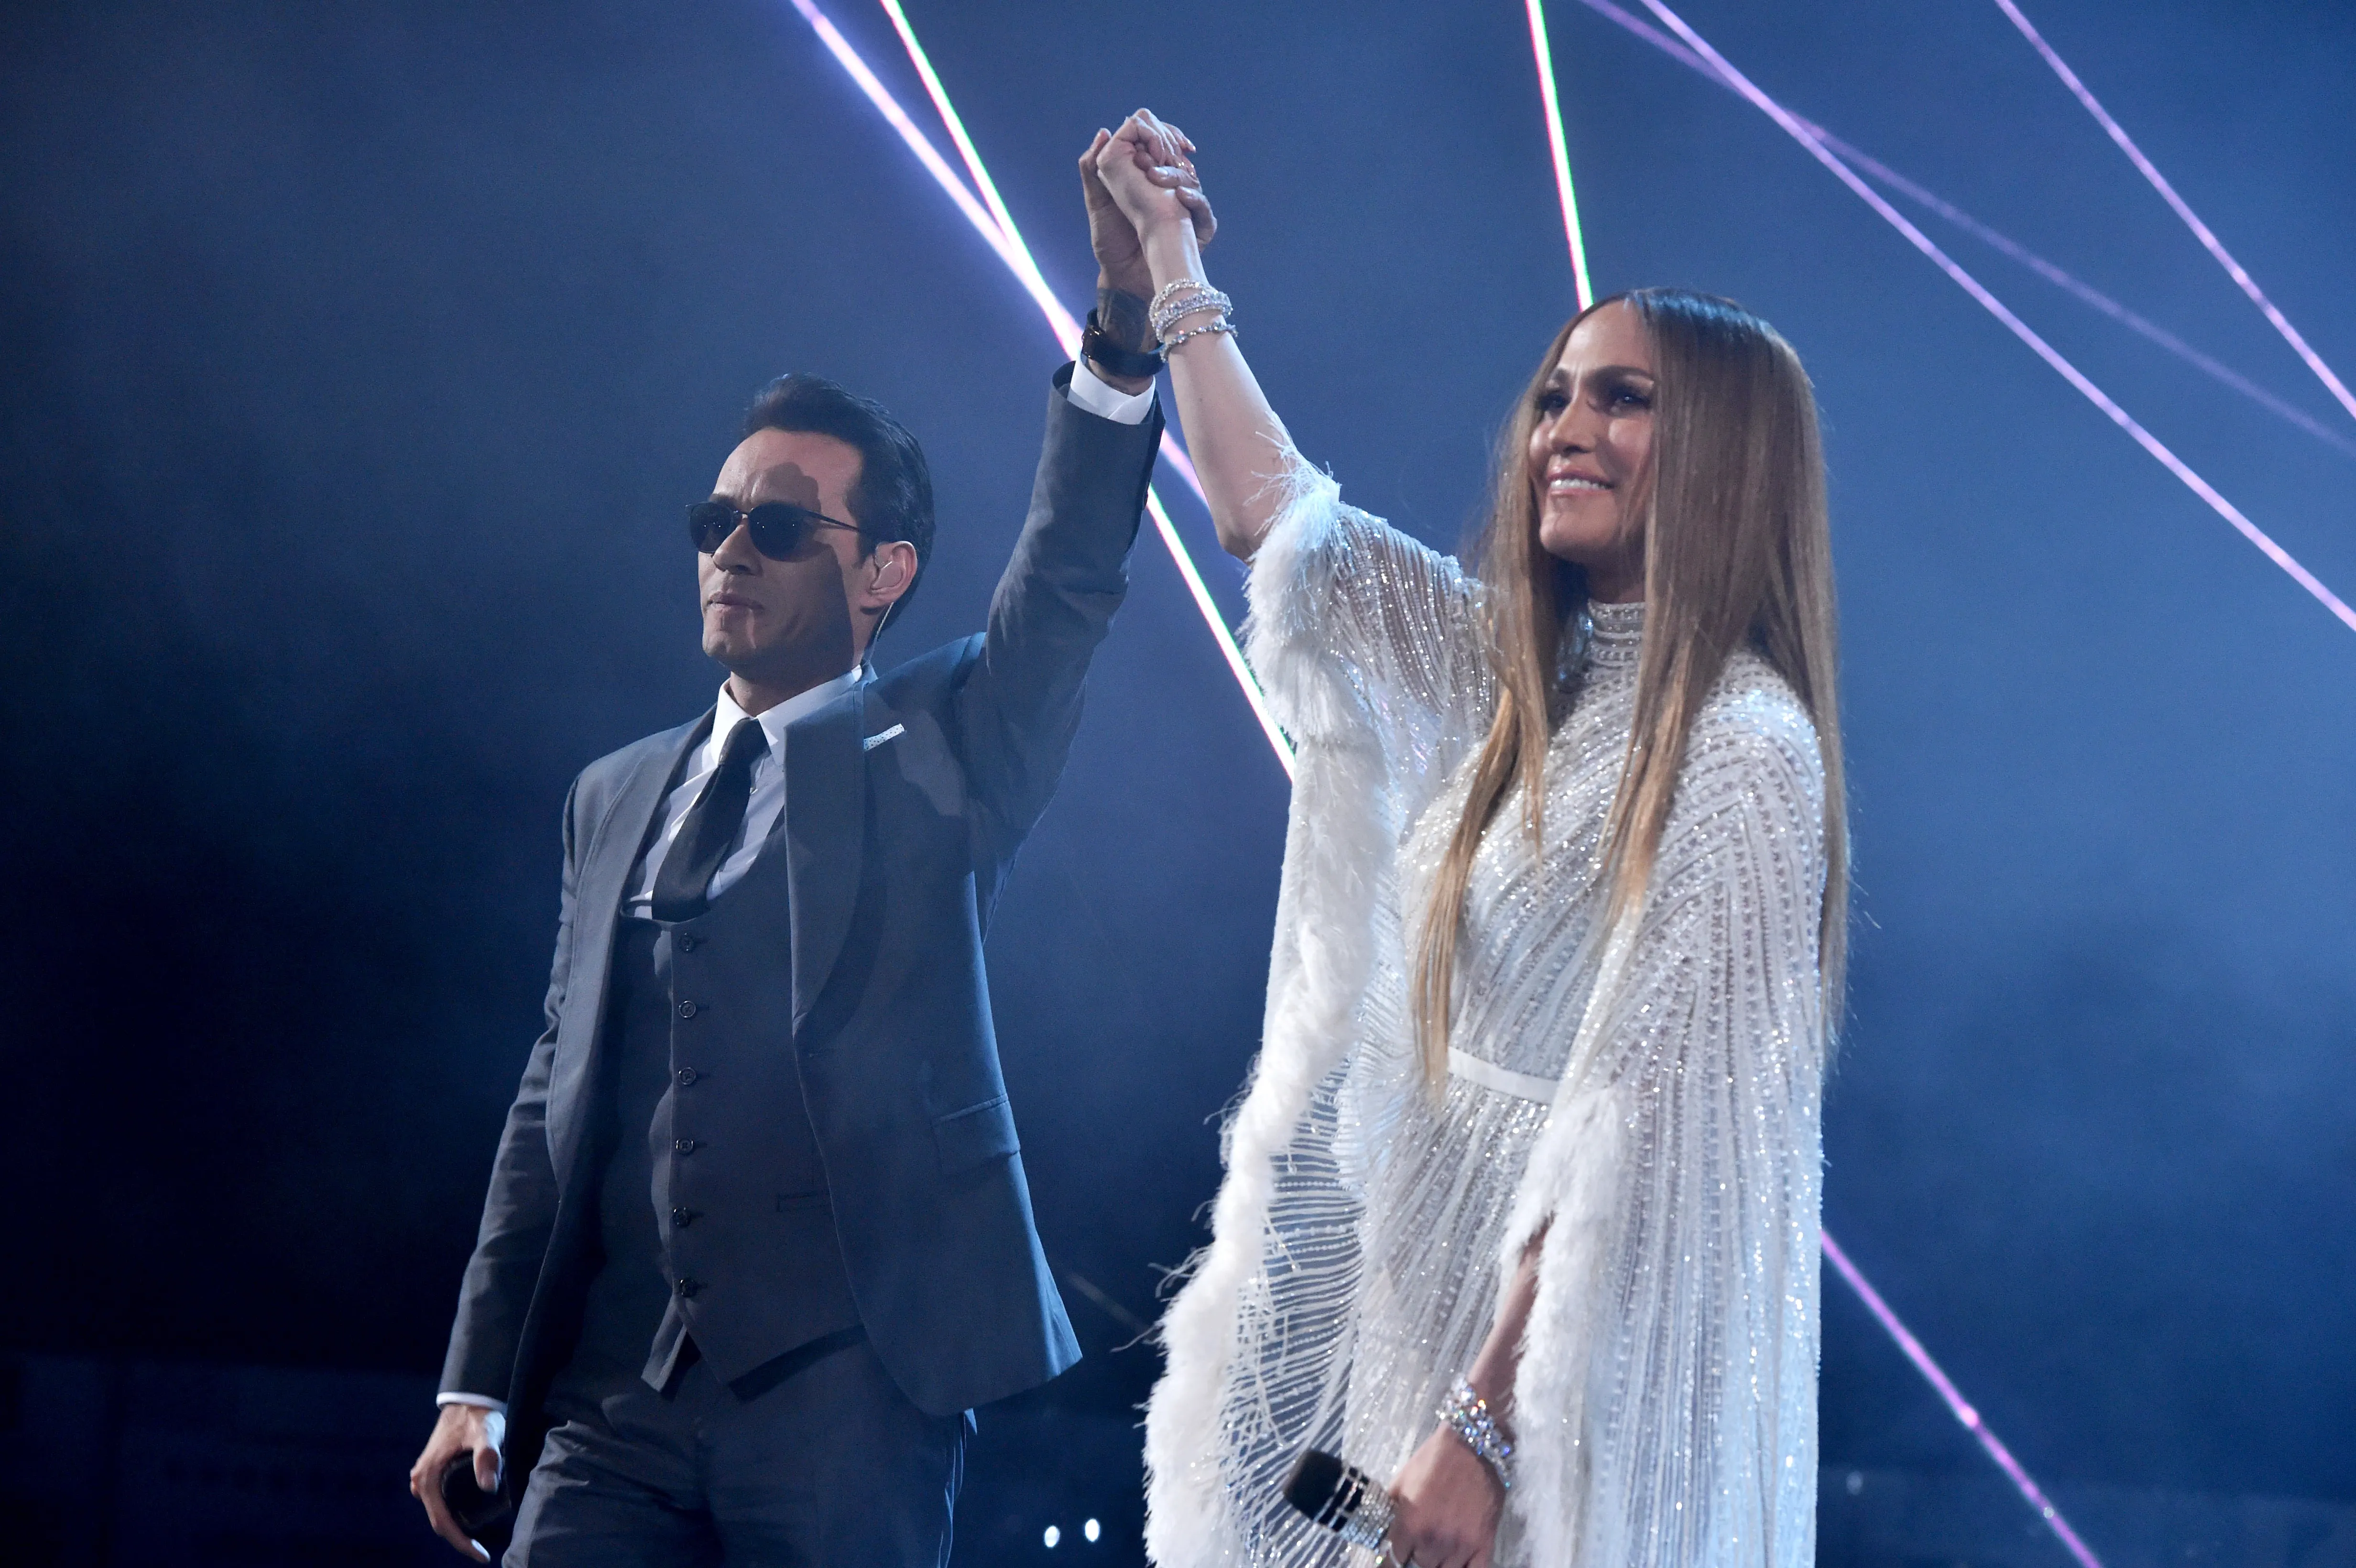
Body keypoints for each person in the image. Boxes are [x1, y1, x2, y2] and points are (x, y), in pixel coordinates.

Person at [1090, 112, 1846, 1567]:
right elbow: (1277, 519)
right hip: (1422, 1332)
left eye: (1623, 399)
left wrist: (1490, 1423)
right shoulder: (1516, 677)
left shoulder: (1745, 755)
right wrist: (1168, 257)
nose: (1565, 427)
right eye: (1558, 395)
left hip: (1552, 1395)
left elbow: (1632, 1135)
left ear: (1729, 457)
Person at [404, 168, 1180, 1563]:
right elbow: (551, 1095)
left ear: (884, 572)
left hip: (855, 1392)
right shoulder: (615, 793)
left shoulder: (947, 741)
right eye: (716, 524)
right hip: (609, 1393)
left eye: (776, 526)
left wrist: (1123, 323)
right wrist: (478, 1377)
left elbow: (1066, 574)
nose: (731, 553)